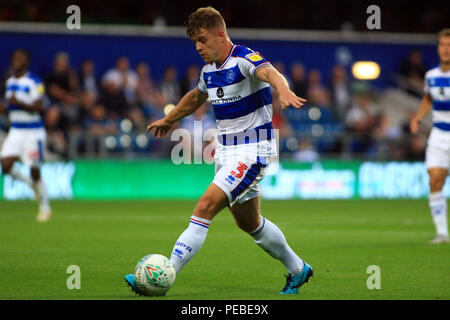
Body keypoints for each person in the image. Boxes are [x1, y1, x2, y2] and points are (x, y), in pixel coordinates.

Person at [124, 6, 313, 295]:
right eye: (195, 42)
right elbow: (196, 97)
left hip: (252, 152)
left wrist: (283, 91)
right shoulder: (209, 71)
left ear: (220, 34)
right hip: (226, 152)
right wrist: (170, 118)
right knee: (250, 223)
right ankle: (298, 269)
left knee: (204, 208)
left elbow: (270, 72)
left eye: (203, 40)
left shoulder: (243, 59)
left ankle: (162, 276)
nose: (199, 47)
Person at [0, 49, 51, 222]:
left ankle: (45, 206)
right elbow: (9, 104)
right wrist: (5, 107)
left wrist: (19, 103)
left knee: (35, 170)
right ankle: (29, 184)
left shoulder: (34, 82)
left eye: (20, 59)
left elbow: (41, 107)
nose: (16, 61)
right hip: (15, 130)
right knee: (5, 165)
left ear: (26, 62)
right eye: (14, 58)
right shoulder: (10, 82)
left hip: (32, 132)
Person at [410, 29, 450, 244]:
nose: (446, 49)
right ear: (438, 48)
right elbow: (427, 98)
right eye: (443, 44)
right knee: (435, 178)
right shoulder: (431, 76)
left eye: (449, 45)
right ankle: (442, 233)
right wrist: (417, 117)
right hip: (439, 134)